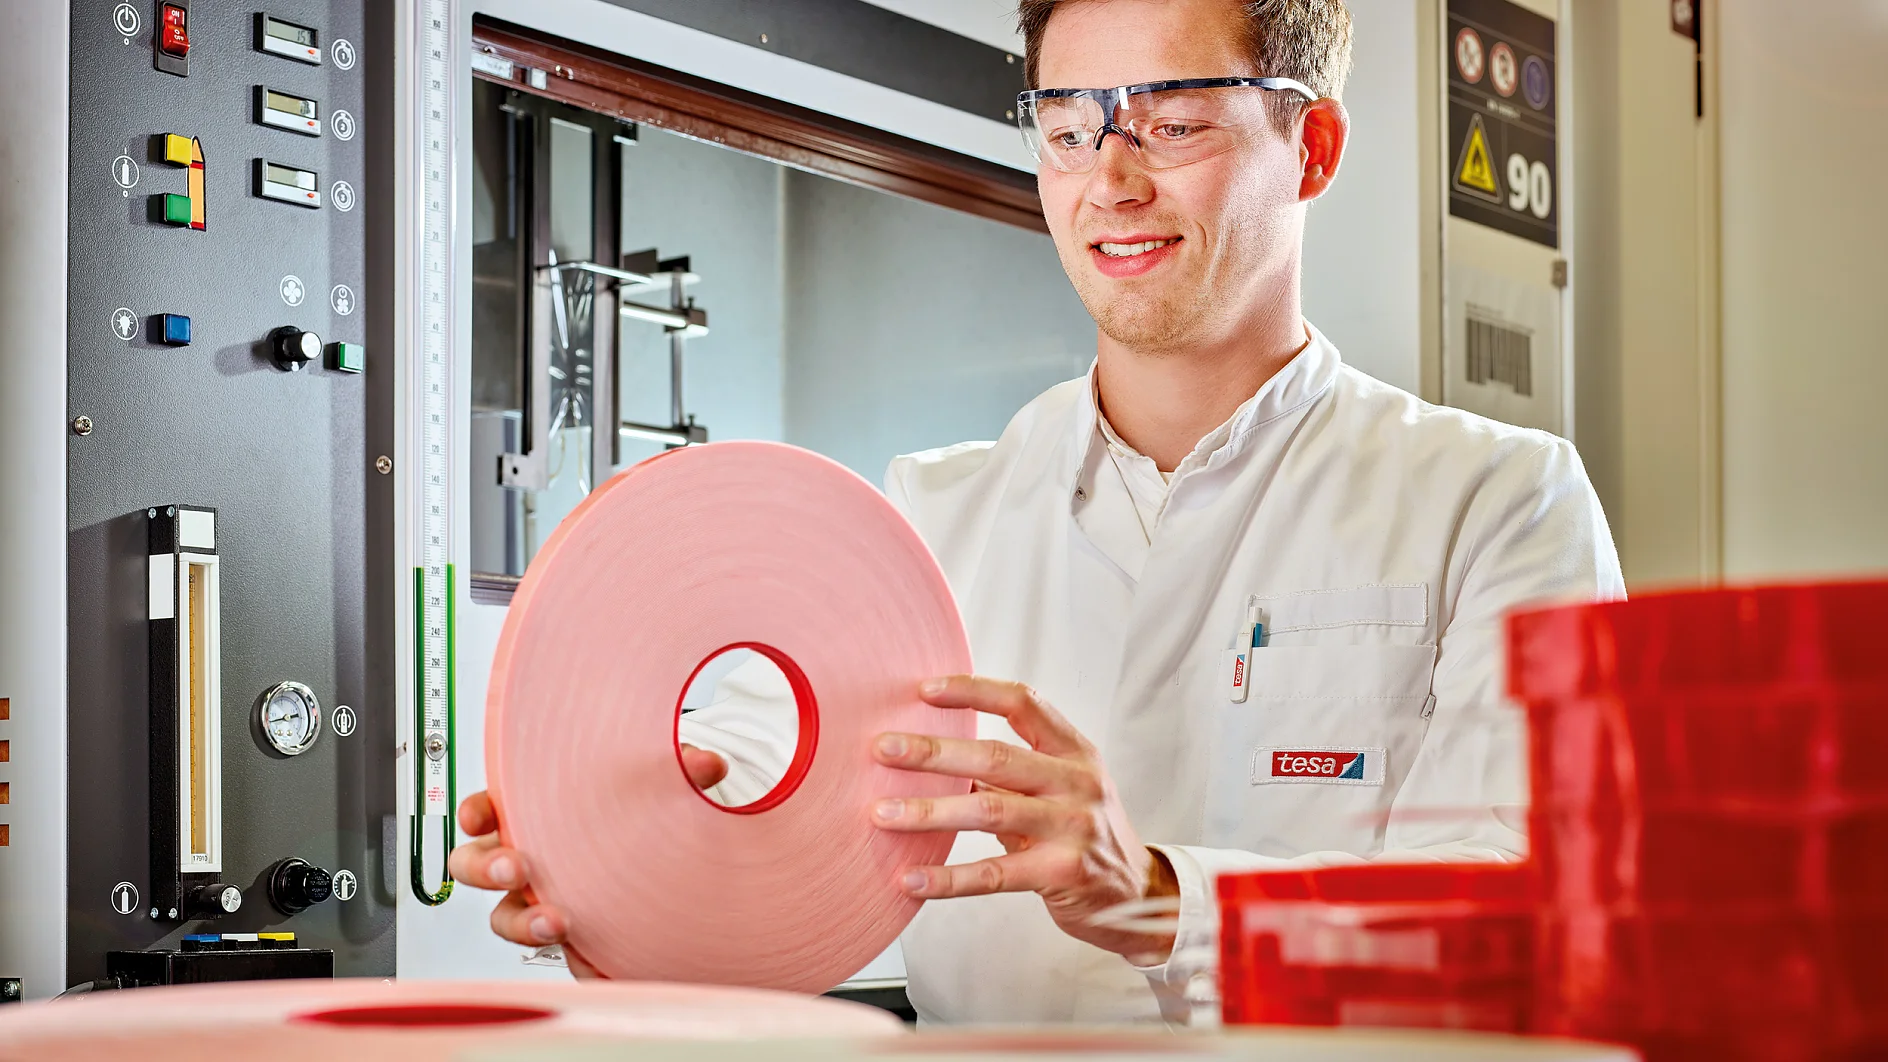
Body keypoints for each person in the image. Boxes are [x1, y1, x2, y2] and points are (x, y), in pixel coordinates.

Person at [450, 0, 1623, 1026]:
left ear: (1310, 146)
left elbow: (1537, 924)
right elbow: (744, 812)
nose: (1108, 178)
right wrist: (603, 864)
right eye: (1068, 128)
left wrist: (1160, 898)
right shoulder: (931, 516)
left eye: (1170, 123)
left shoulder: (1498, 501)